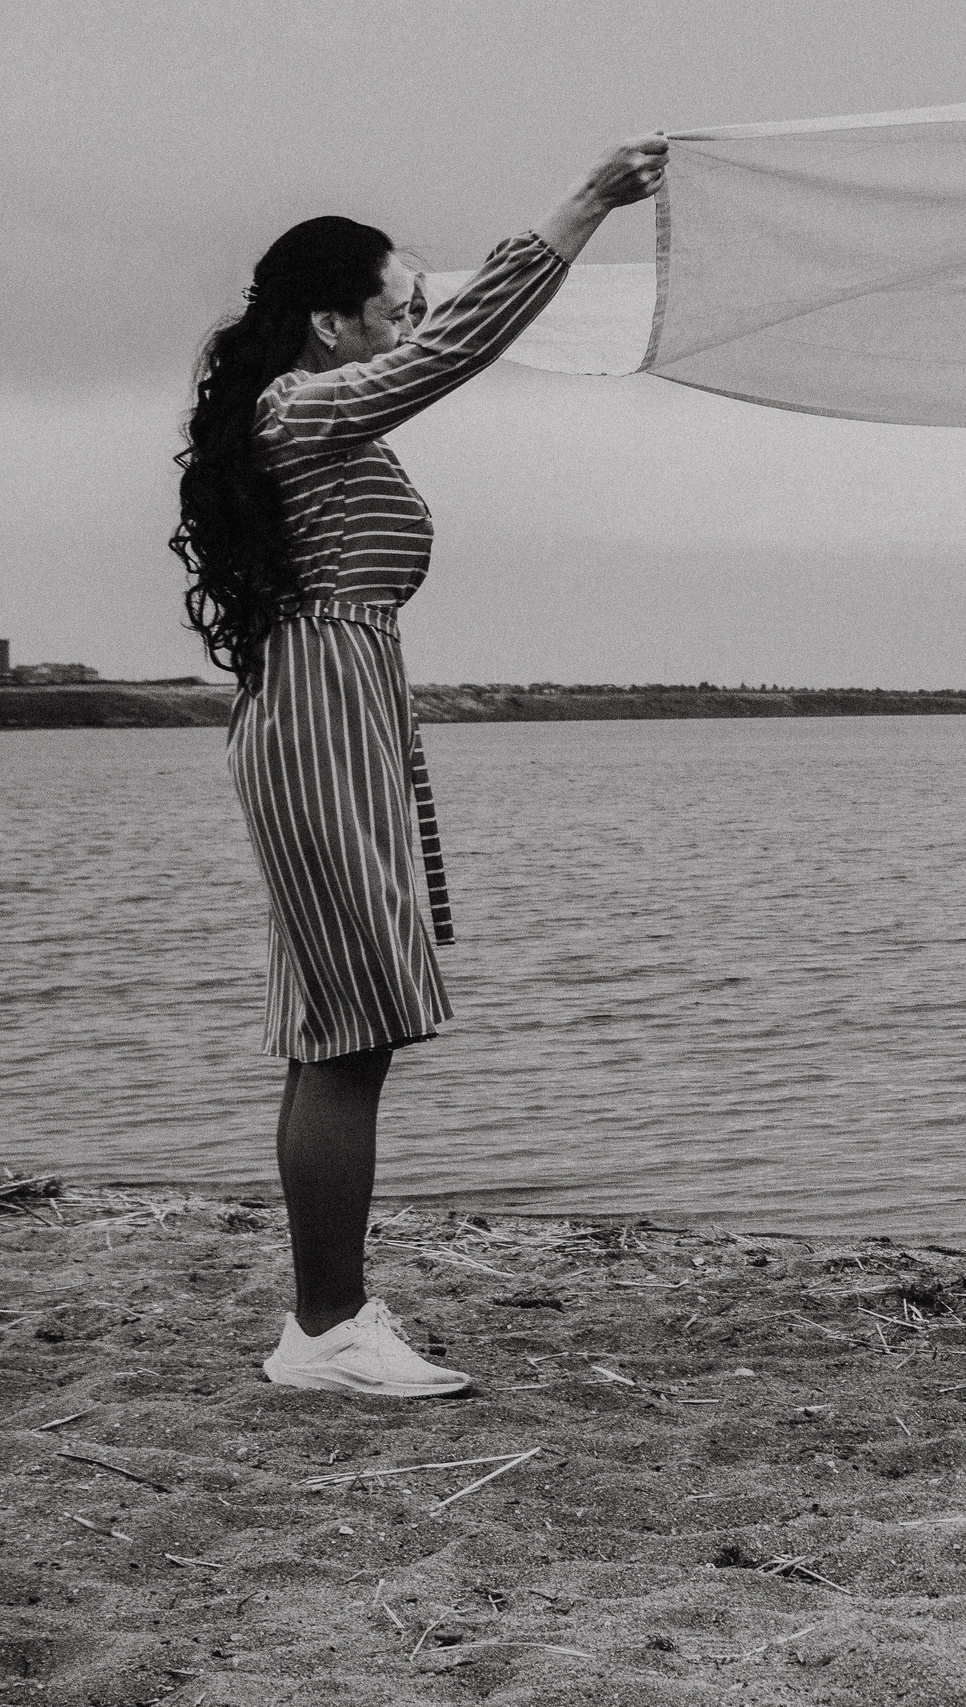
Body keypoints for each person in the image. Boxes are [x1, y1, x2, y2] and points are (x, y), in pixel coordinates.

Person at [170, 136, 667, 1396]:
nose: (415, 325)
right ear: (332, 324)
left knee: (337, 1031)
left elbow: (442, 350)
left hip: (339, 705)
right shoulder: (300, 404)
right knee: (351, 1032)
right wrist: (585, 206)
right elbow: (459, 352)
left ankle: (322, 1327)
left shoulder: (311, 416)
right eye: (397, 305)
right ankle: (330, 1329)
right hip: (323, 714)